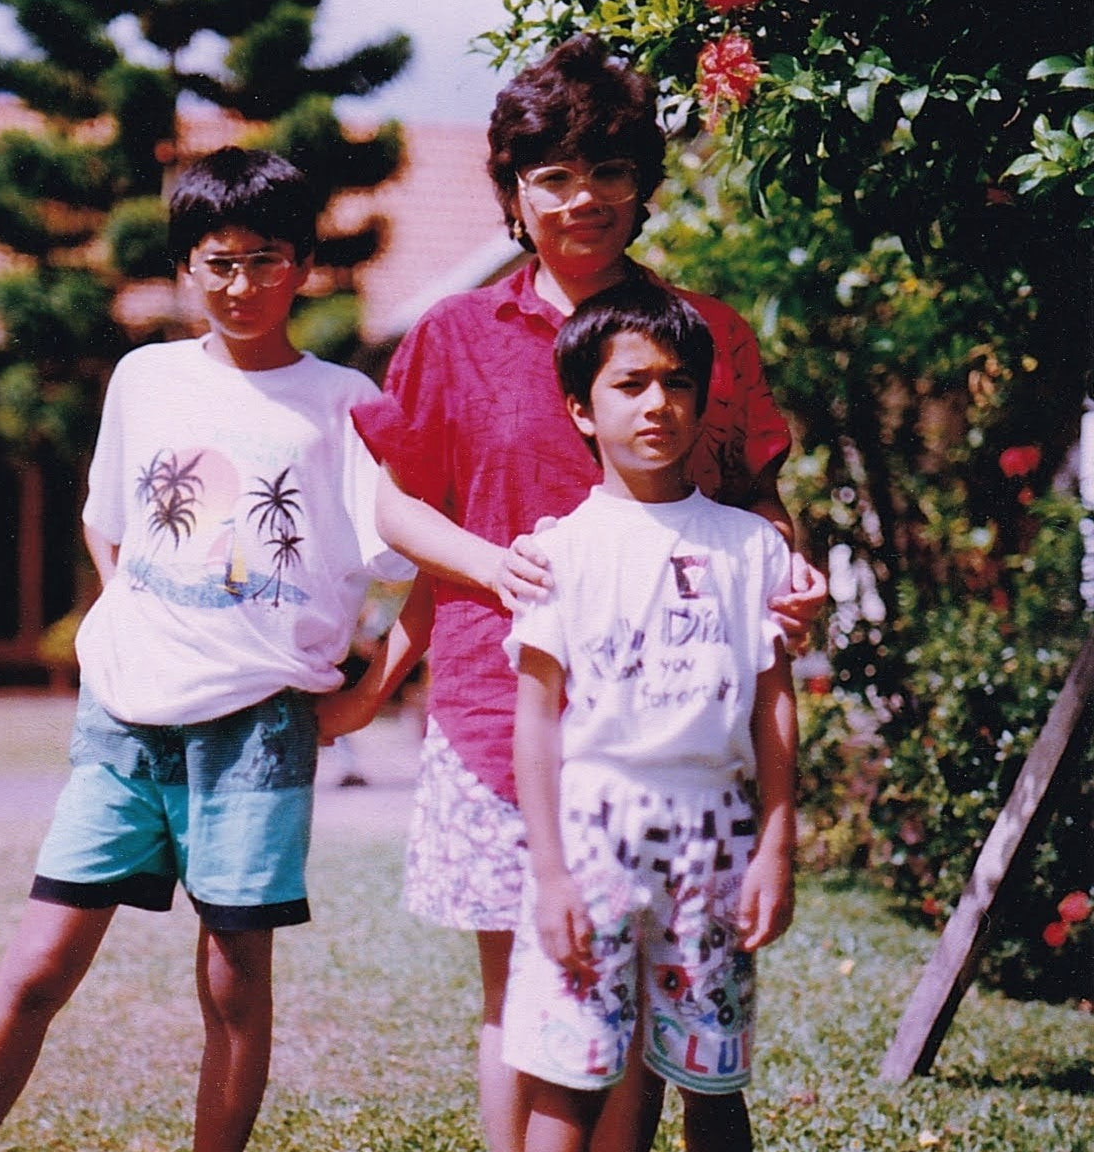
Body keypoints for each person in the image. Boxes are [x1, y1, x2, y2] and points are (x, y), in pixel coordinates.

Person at [351, 34, 825, 1152]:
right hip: (494, 708)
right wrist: (489, 563)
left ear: (642, 185)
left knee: (639, 1004)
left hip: (666, 726)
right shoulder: (455, 332)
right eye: (554, 174)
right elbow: (395, 506)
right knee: (522, 996)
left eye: (609, 170)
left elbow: (751, 499)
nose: (584, 198)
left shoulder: (699, 335)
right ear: (515, 190)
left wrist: (790, 569)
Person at [0, 146, 414, 1152]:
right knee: (35, 966)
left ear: (305, 263)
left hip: (258, 734)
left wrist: (371, 696)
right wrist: (137, 624)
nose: (242, 285)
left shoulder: (344, 402)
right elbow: (105, 520)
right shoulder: (144, 376)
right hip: (122, 725)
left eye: (267, 259)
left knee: (233, 984)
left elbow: (416, 565)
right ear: (184, 266)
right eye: (219, 261)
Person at [502, 281, 797, 1152]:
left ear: (704, 401)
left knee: (713, 1074)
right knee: (572, 1076)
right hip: (595, 838)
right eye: (628, 384)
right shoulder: (557, 551)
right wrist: (551, 874)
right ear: (581, 409)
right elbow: (537, 723)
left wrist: (777, 843)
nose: (656, 404)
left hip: (717, 841)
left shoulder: (753, 548)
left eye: (675, 382)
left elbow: (775, 709)